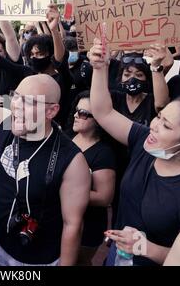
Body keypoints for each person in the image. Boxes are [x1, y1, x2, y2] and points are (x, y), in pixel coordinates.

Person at [0, 14, 91, 265]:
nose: (17, 106)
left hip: (39, 260)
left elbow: (72, 226)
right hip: (2, 245)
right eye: (16, 97)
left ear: (51, 111)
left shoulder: (72, 161)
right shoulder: (10, 121)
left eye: (29, 102)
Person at [89, 38, 180, 266]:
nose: (155, 125)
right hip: (116, 257)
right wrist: (100, 68)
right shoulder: (144, 141)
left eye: (166, 125)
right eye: (159, 116)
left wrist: (142, 246)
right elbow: (103, 111)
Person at [71, 91, 116, 266]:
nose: (76, 115)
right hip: (62, 219)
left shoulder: (104, 153)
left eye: (83, 113)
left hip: (88, 225)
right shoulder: (67, 136)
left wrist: (64, 191)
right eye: (76, 110)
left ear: (98, 120)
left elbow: (104, 197)